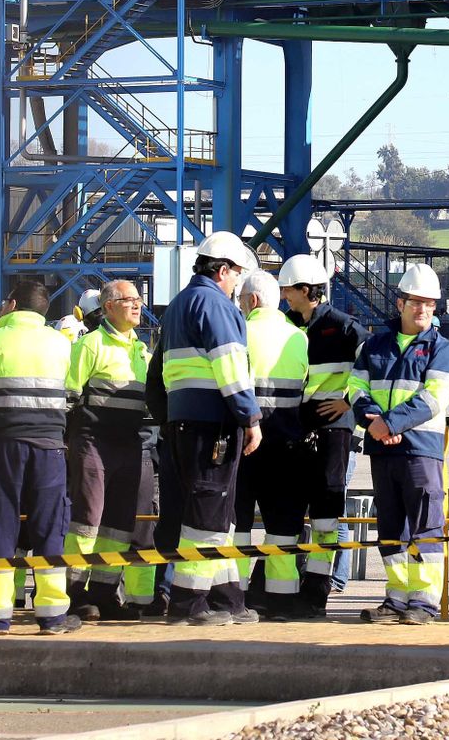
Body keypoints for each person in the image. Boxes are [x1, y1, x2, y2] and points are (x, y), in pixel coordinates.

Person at [159, 230, 261, 626]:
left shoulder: (179, 304)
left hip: (184, 421)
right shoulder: (215, 305)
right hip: (213, 423)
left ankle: (227, 599)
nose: (238, 282)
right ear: (222, 270)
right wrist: (250, 418)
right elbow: (231, 368)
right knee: (206, 514)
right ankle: (188, 605)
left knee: (216, 513)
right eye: (236, 273)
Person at [0, 280, 76, 636]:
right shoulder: (62, 344)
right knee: (49, 526)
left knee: (0, 524)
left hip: (3, 446)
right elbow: (70, 393)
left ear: (11, 305)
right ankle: (52, 616)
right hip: (50, 448)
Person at [350, 264, 449, 623]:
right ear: (400, 303)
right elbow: (356, 388)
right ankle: (396, 600)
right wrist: (376, 423)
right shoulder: (374, 346)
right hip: (384, 449)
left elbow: (434, 399)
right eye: (416, 302)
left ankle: (423, 603)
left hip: (420, 451)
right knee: (391, 528)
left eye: (429, 304)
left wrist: (388, 423)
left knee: (425, 526)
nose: (423, 310)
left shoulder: (442, 351)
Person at [280, 253, 365, 616]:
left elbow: (371, 367)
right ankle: (291, 590)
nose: (284, 296)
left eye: (287, 290)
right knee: (295, 510)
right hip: (298, 427)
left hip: (333, 431)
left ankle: (317, 593)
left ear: (304, 290)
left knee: (327, 515)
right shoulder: (286, 324)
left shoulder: (344, 326)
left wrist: (348, 402)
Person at [66, 278, 153, 620]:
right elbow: (69, 397)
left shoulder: (140, 350)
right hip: (93, 442)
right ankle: (73, 595)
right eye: (129, 300)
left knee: (118, 525)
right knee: (87, 522)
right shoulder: (90, 345)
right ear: (108, 308)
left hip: (130, 444)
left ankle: (104, 595)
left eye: (138, 300)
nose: (137, 305)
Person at [232, 269, 311, 620]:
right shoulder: (299, 338)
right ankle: (282, 601)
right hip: (288, 448)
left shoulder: (237, 335)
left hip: (242, 445)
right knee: (284, 526)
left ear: (250, 301)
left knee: (237, 525)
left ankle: (234, 596)